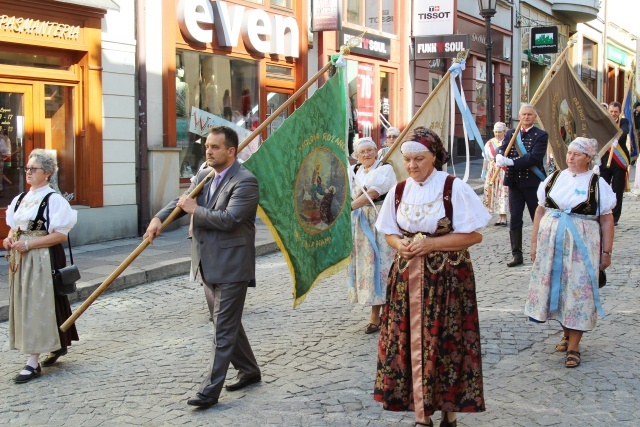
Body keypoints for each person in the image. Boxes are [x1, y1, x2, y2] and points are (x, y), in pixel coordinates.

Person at [374, 127, 490, 427]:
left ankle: (449, 412)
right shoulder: (399, 191)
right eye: (407, 159)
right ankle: (421, 415)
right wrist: (400, 244)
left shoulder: (453, 187)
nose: (412, 166)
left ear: (435, 157)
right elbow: (389, 231)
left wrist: (432, 244)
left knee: (446, 342)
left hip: (448, 280)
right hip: (406, 280)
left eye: (419, 159)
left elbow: (474, 235)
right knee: (410, 343)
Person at [145, 126, 261, 408]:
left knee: (222, 328)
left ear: (231, 151)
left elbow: (230, 219)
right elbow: (181, 201)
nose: (208, 151)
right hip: (206, 263)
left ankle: (209, 391)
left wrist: (195, 211)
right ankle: (249, 369)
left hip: (232, 266)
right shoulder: (204, 174)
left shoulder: (245, 181)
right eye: (207, 146)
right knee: (226, 323)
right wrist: (160, 218)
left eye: (215, 147)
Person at [525, 137, 615, 368]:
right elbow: (539, 212)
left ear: (588, 158)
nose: (571, 157)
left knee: (579, 290)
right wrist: (534, 244)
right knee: (557, 288)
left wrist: (606, 252)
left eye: (577, 154)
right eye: (569, 153)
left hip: (581, 247)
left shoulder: (597, 184)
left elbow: (606, 220)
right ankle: (566, 333)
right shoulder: (554, 178)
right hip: (551, 245)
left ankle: (574, 345)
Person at [3, 149, 78, 383]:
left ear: (46, 173)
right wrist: (10, 238)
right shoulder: (21, 199)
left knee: (38, 305)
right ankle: (58, 344)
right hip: (21, 260)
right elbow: (15, 227)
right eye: (26, 168)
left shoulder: (53, 200)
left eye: (33, 169)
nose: (28, 172)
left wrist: (29, 244)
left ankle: (32, 362)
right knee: (31, 304)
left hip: (42, 258)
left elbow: (60, 235)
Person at [349, 137, 397, 334]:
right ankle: (375, 313)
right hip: (362, 222)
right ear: (357, 156)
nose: (367, 154)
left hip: (381, 220)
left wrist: (348, 208)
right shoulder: (357, 171)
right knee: (368, 267)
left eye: (370, 150)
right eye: (363, 152)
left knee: (384, 265)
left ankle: (388, 312)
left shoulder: (385, 169)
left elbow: (374, 193)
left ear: (376, 151)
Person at [496, 103, 548, 267]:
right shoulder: (512, 133)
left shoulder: (541, 135)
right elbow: (502, 147)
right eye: (524, 114)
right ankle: (517, 255)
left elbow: (534, 158)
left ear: (535, 117)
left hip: (533, 183)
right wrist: (498, 155)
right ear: (519, 116)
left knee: (537, 218)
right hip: (515, 183)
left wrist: (511, 161)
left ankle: (540, 253)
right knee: (515, 219)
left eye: (529, 114)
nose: (526, 117)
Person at [600, 101, 629, 225]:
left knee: (617, 189)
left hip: (619, 160)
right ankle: (603, 213)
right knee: (603, 187)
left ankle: (615, 217)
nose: (613, 114)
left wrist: (617, 136)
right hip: (605, 159)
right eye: (611, 111)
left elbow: (625, 131)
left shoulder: (623, 122)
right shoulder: (604, 122)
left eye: (616, 112)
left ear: (619, 112)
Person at [481, 122, 509, 226]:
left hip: (503, 170)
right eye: (496, 132)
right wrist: (483, 171)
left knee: (503, 192)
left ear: (504, 132)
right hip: (492, 170)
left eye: (500, 132)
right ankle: (496, 216)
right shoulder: (489, 143)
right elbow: (485, 159)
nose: (497, 134)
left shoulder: (507, 142)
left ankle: (503, 217)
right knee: (492, 193)